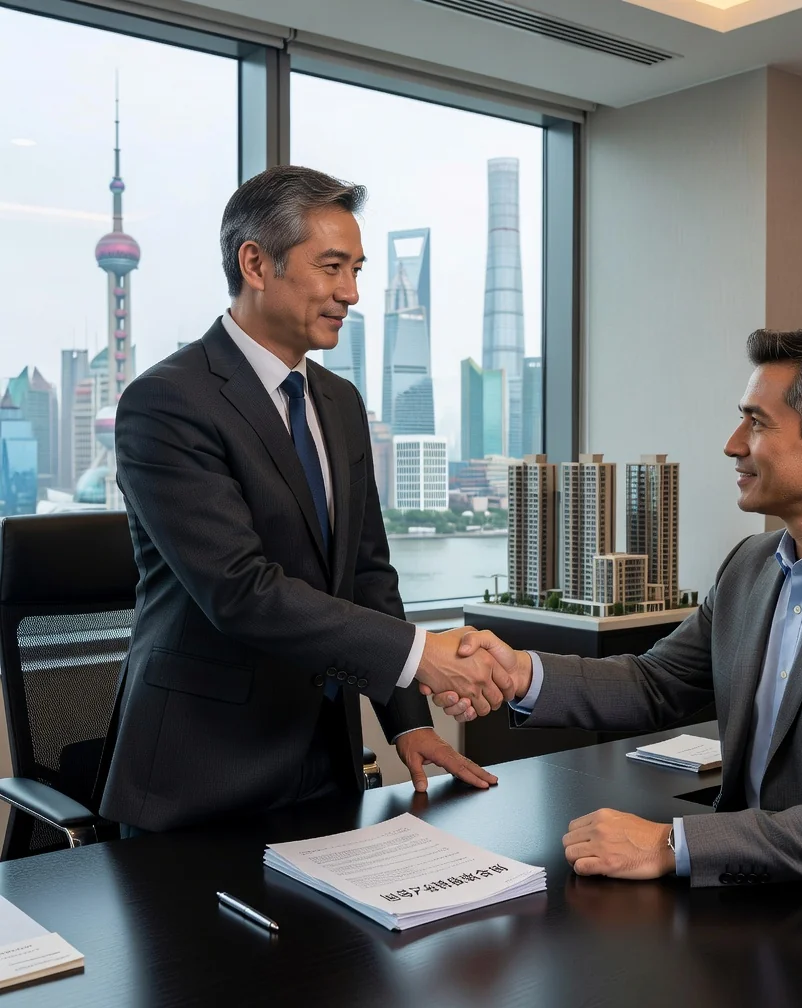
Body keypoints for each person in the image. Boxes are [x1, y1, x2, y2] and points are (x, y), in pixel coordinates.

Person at [429, 327, 802, 887]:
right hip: (765, 889)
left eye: (757, 422)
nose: (733, 443)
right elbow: (657, 683)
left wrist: (669, 841)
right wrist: (520, 672)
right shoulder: (750, 565)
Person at [101, 165, 510, 833]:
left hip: (326, 767)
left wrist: (406, 722)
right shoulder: (167, 403)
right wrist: (419, 653)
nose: (350, 292)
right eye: (331, 267)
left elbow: (367, 574)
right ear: (256, 264)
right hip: (199, 778)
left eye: (357, 269)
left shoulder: (340, 403)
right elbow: (242, 590)